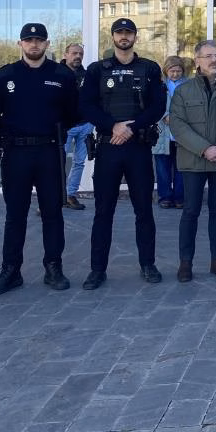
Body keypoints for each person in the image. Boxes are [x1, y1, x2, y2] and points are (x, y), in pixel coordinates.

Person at [0, 23, 79, 296]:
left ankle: (53, 267)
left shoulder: (62, 75)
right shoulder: (5, 76)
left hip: (49, 152)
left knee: (52, 212)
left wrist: (51, 129)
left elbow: (74, 112)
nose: (33, 44)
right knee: (15, 214)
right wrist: (11, 132)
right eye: (28, 40)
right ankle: (11, 271)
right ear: (20, 44)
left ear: (47, 44)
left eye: (38, 40)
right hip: (16, 153)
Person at [79, 18, 168, 290]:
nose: (124, 37)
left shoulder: (150, 69)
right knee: (103, 211)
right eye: (120, 33)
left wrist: (132, 127)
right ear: (113, 37)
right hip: (108, 146)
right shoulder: (97, 70)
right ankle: (97, 270)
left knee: (144, 210)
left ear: (135, 37)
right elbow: (86, 105)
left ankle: (148, 264)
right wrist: (112, 126)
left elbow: (158, 106)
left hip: (138, 147)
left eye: (129, 32)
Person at [167, 40, 216, 283]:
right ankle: (185, 262)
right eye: (208, 55)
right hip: (193, 160)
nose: (214, 60)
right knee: (190, 211)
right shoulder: (183, 91)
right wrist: (204, 149)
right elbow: (177, 125)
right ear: (197, 60)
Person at [154, 56, 187, 209]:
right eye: (172, 71)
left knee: (181, 167)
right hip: (163, 133)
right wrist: (164, 115)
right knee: (162, 168)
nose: (175, 74)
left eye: (178, 71)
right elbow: (152, 104)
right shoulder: (159, 85)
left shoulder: (189, 86)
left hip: (182, 132)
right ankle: (165, 197)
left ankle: (180, 197)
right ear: (166, 71)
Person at [60, 43, 90, 211]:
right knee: (57, 162)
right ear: (66, 54)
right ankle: (56, 197)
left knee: (79, 162)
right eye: (74, 53)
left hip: (85, 125)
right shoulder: (56, 73)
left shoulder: (87, 76)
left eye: (80, 53)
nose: (77, 56)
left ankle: (71, 195)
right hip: (64, 127)